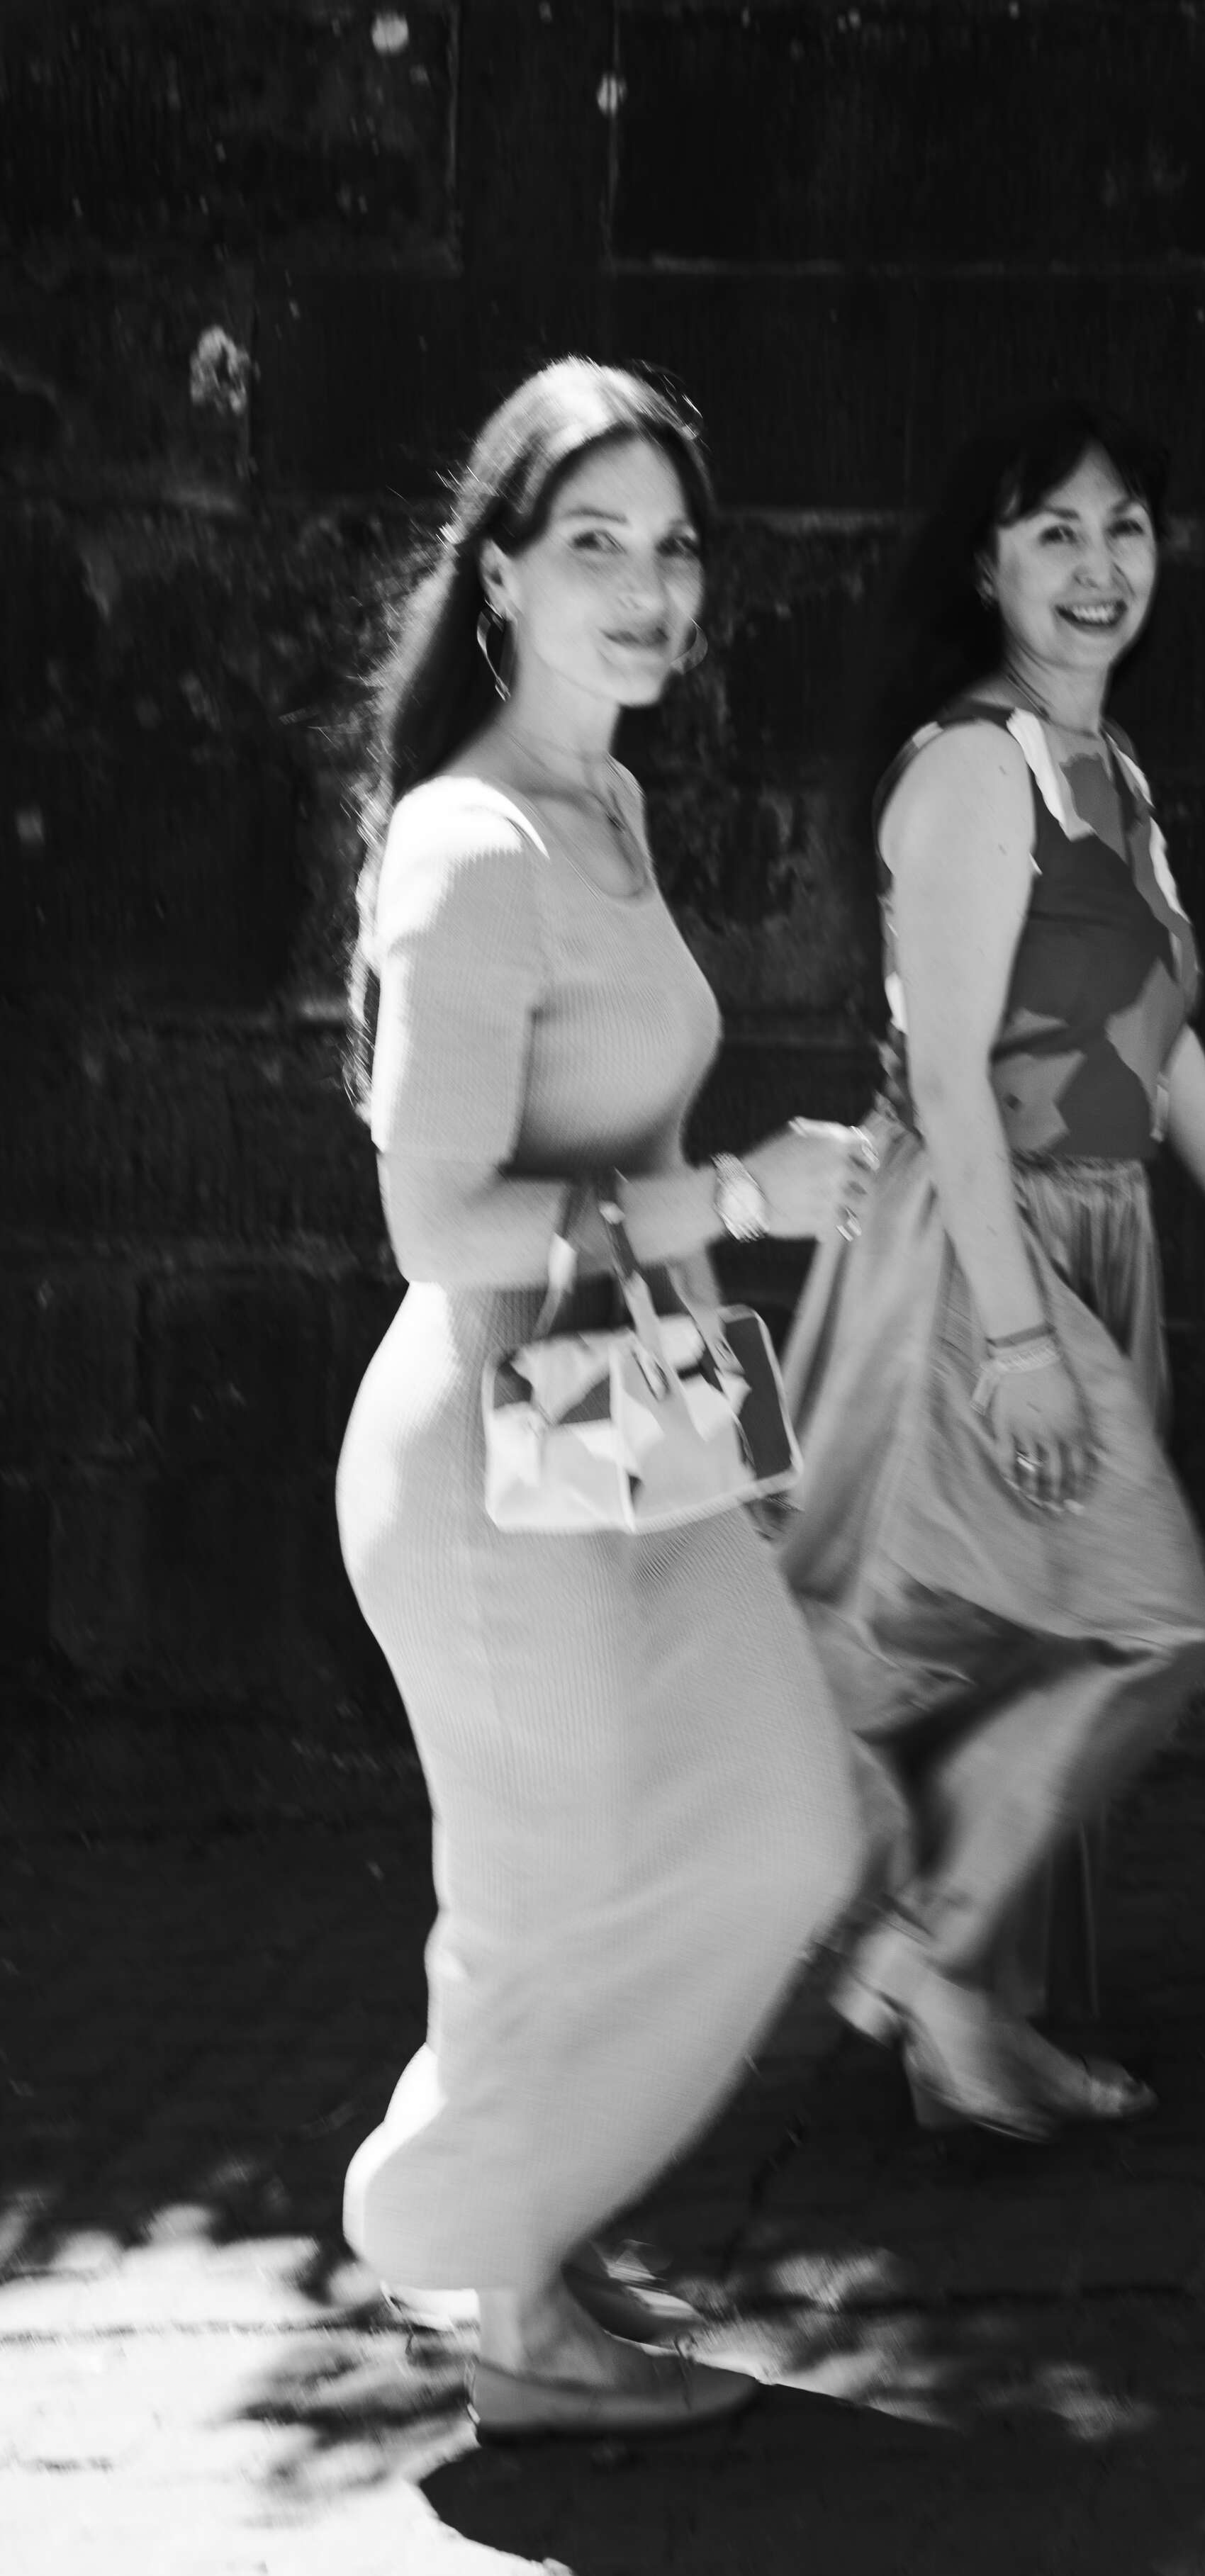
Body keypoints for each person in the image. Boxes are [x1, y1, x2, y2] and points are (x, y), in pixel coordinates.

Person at [335, 359, 868, 2441]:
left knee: (781, 1826)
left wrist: (718, 1232)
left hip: (627, 1396)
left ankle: (500, 2207)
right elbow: (439, 1228)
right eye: (596, 547)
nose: (650, 592)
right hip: (485, 1450)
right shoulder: (470, 850)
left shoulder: (608, 805)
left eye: (675, 549)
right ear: (498, 579)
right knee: (546, 1897)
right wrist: (739, 1190)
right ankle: (502, 2297)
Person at [780, 401, 1205, 2139]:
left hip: (1095, 1236)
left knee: (1031, 1638)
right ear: (986, 563)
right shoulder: (971, 767)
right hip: (980, 1247)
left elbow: (1154, 1042)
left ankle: (981, 2037)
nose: (1098, 568)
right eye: (1053, 532)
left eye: (1124, 530)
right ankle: (924, 1955)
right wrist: (1019, 1342)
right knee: (1138, 1617)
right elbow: (946, 1074)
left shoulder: (1106, 769)